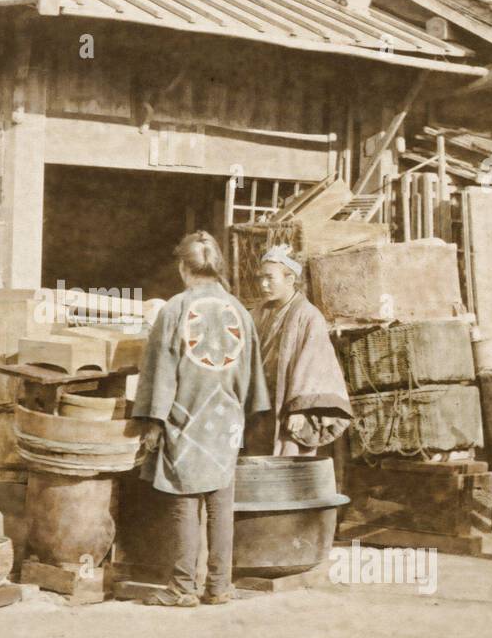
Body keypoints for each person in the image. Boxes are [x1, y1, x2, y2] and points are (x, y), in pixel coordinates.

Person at [133, 231, 270, 607]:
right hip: (226, 422)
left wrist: (153, 421)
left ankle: (182, 589)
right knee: (221, 502)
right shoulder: (239, 311)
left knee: (183, 500)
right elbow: (251, 372)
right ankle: (220, 586)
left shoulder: (175, 308)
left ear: (182, 267)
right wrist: (241, 415)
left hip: (185, 420)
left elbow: (160, 370)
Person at [248, 244, 351, 457]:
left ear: (290, 279)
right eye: (260, 279)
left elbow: (316, 365)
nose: (263, 285)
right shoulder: (258, 312)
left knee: (288, 467)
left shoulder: (309, 317)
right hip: (259, 405)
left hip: (288, 406)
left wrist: (301, 409)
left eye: (270, 278)